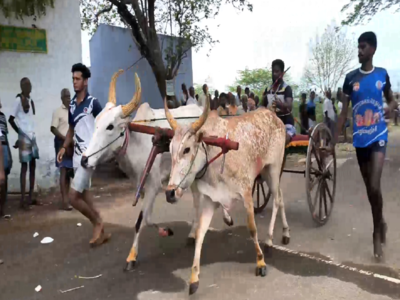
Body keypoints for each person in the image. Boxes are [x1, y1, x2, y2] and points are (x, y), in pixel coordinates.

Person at [336, 32, 398, 260]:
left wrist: (390, 107)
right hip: (360, 140)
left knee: (374, 184)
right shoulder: (350, 78)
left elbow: (392, 100)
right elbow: (343, 113)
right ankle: (380, 222)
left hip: (379, 136)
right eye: (358, 47)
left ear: (373, 49)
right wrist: (332, 141)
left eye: (363, 47)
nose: (359, 51)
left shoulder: (382, 75)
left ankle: (375, 232)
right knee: (371, 191)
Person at [57, 63, 110, 246]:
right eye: (73, 78)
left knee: (73, 197)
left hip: (90, 156)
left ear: (86, 81)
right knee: (85, 194)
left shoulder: (93, 103)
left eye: (78, 79)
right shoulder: (72, 105)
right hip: (76, 156)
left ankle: (96, 222)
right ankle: (102, 229)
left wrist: (101, 150)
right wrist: (64, 147)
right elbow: (71, 129)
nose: (74, 82)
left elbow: (104, 125)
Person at [9, 77, 39, 210]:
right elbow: (11, 119)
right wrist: (19, 133)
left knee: (33, 165)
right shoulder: (18, 100)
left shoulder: (30, 100)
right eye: (26, 85)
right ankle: (22, 199)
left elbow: (30, 118)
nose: (29, 87)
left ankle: (30, 196)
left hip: (32, 136)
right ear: (22, 87)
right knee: (24, 167)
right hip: (24, 136)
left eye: (30, 84)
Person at [51, 88, 73, 211]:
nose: (68, 99)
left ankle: (67, 199)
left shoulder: (72, 112)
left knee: (69, 172)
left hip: (70, 144)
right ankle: (64, 201)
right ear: (61, 98)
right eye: (66, 96)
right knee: (63, 170)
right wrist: (64, 139)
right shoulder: (58, 112)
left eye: (69, 96)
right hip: (61, 143)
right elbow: (53, 128)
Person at [264, 59, 295, 145]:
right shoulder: (268, 89)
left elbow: (289, 106)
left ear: (282, 73)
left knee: (281, 141)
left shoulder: (287, 88)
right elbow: (262, 106)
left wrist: (280, 105)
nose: (274, 74)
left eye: (277, 71)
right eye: (273, 71)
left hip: (286, 124)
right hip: (272, 125)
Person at [0, 98, 12, 218]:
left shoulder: (2, 116)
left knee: (4, 178)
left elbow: (5, 136)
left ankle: (2, 206)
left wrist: (8, 151)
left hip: (3, 147)